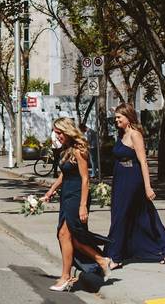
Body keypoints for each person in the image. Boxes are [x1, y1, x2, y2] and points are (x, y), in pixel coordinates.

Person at [43, 117, 111, 292]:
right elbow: (64, 175)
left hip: (77, 196)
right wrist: (51, 191)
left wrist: (82, 206)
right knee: (70, 237)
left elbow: (85, 179)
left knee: (64, 234)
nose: (57, 136)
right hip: (66, 195)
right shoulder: (66, 150)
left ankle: (66, 276)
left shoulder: (80, 150)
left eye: (59, 133)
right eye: (56, 133)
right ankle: (101, 260)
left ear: (67, 131)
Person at [106, 104, 165, 267]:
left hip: (132, 178)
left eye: (119, 117)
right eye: (116, 118)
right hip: (120, 178)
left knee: (125, 214)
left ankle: (116, 256)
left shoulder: (135, 135)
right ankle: (156, 248)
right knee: (128, 214)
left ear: (128, 118)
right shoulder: (121, 134)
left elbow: (143, 162)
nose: (116, 121)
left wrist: (148, 186)